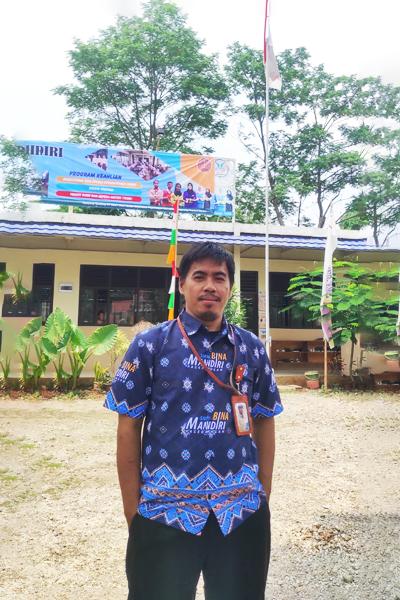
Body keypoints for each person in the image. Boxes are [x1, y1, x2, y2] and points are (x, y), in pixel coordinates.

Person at [104, 242, 283, 600]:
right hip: (164, 513)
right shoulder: (150, 345)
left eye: (220, 277)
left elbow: (264, 420)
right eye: (199, 276)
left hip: (240, 514)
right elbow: (128, 428)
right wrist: (133, 511)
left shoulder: (250, 348)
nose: (210, 286)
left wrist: (261, 495)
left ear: (230, 287)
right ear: (182, 283)